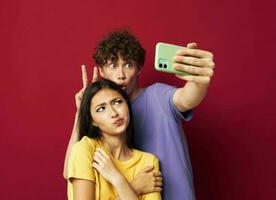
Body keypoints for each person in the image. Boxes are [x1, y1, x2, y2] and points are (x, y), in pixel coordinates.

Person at [64, 29, 215, 200]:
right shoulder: (98, 131)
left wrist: (198, 80)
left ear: (139, 68)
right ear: (102, 72)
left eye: (128, 65)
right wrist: (82, 110)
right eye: (113, 65)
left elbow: (187, 98)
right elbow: (71, 169)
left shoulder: (157, 96)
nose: (120, 75)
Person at [67, 79, 161, 200]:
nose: (113, 113)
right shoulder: (85, 149)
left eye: (117, 102)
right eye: (101, 108)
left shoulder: (148, 162)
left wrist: (117, 179)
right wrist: (132, 187)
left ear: (127, 104)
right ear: (92, 121)